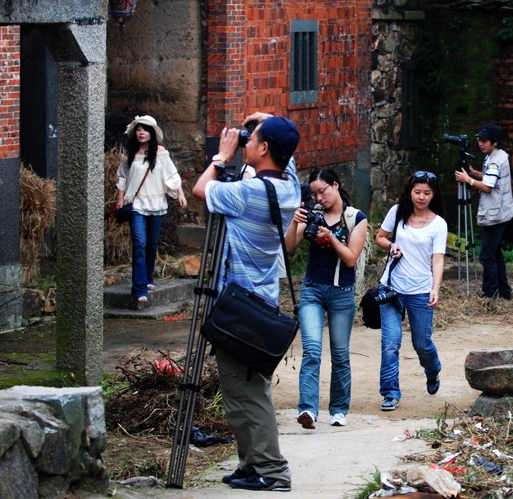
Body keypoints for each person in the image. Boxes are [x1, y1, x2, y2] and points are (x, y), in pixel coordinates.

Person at [192, 112, 300, 492]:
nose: (245, 143)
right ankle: (250, 464)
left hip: (238, 308)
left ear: (266, 148)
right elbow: (291, 159)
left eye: (251, 139)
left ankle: (272, 471)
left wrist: (220, 158)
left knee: (247, 393)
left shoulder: (249, 193)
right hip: (259, 301)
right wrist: (270, 121)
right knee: (243, 389)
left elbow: (201, 190)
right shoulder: (290, 187)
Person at [285, 168, 368, 430]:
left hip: (342, 293)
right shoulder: (313, 216)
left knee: (340, 354)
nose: (319, 197)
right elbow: (289, 246)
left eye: (323, 191)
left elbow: (351, 258)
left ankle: (339, 409)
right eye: (314, 194)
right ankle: (308, 409)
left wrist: (330, 237)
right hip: (312, 290)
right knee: (311, 349)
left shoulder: (356, 218)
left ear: (335, 184)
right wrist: (295, 221)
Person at [374, 171, 448, 411]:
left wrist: (435, 288)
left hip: (420, 290)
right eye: (417, 192)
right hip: (392, 288)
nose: (421, 197)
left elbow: (437, 259)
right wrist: (391, 244)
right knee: (390, 343)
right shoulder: (397, 213)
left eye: (427, 193)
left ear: (433, 195)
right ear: (410, 191)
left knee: (422, 343)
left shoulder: (438, 224)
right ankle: (390, 393)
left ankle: (432, 369)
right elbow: (380, 237)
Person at [116, 115, 187, 304]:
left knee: (152, 244)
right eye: (139, 129)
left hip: (156, 203)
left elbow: (171, 174)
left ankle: (147, 278)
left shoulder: (161, 153)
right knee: (139, 243)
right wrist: (121, 198)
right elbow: (122, 177)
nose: (141, 133)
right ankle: (139, 289)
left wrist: (180, 193)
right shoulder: (129, 154)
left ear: (152, 133)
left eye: (145, 129)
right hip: (136, 204)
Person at [454, 123, 513, 299]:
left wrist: (468, 179)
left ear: (494, 142)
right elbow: (489, 177)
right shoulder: (496, 156)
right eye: (479, 140)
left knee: (486, 255)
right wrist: (474, 173)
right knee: (495, 253)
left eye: (484, 141)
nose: (480, 143)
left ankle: (490, 292)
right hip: (499, 212)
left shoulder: (495, 160)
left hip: (496, 214)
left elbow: (488, 186)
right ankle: (503, 291)